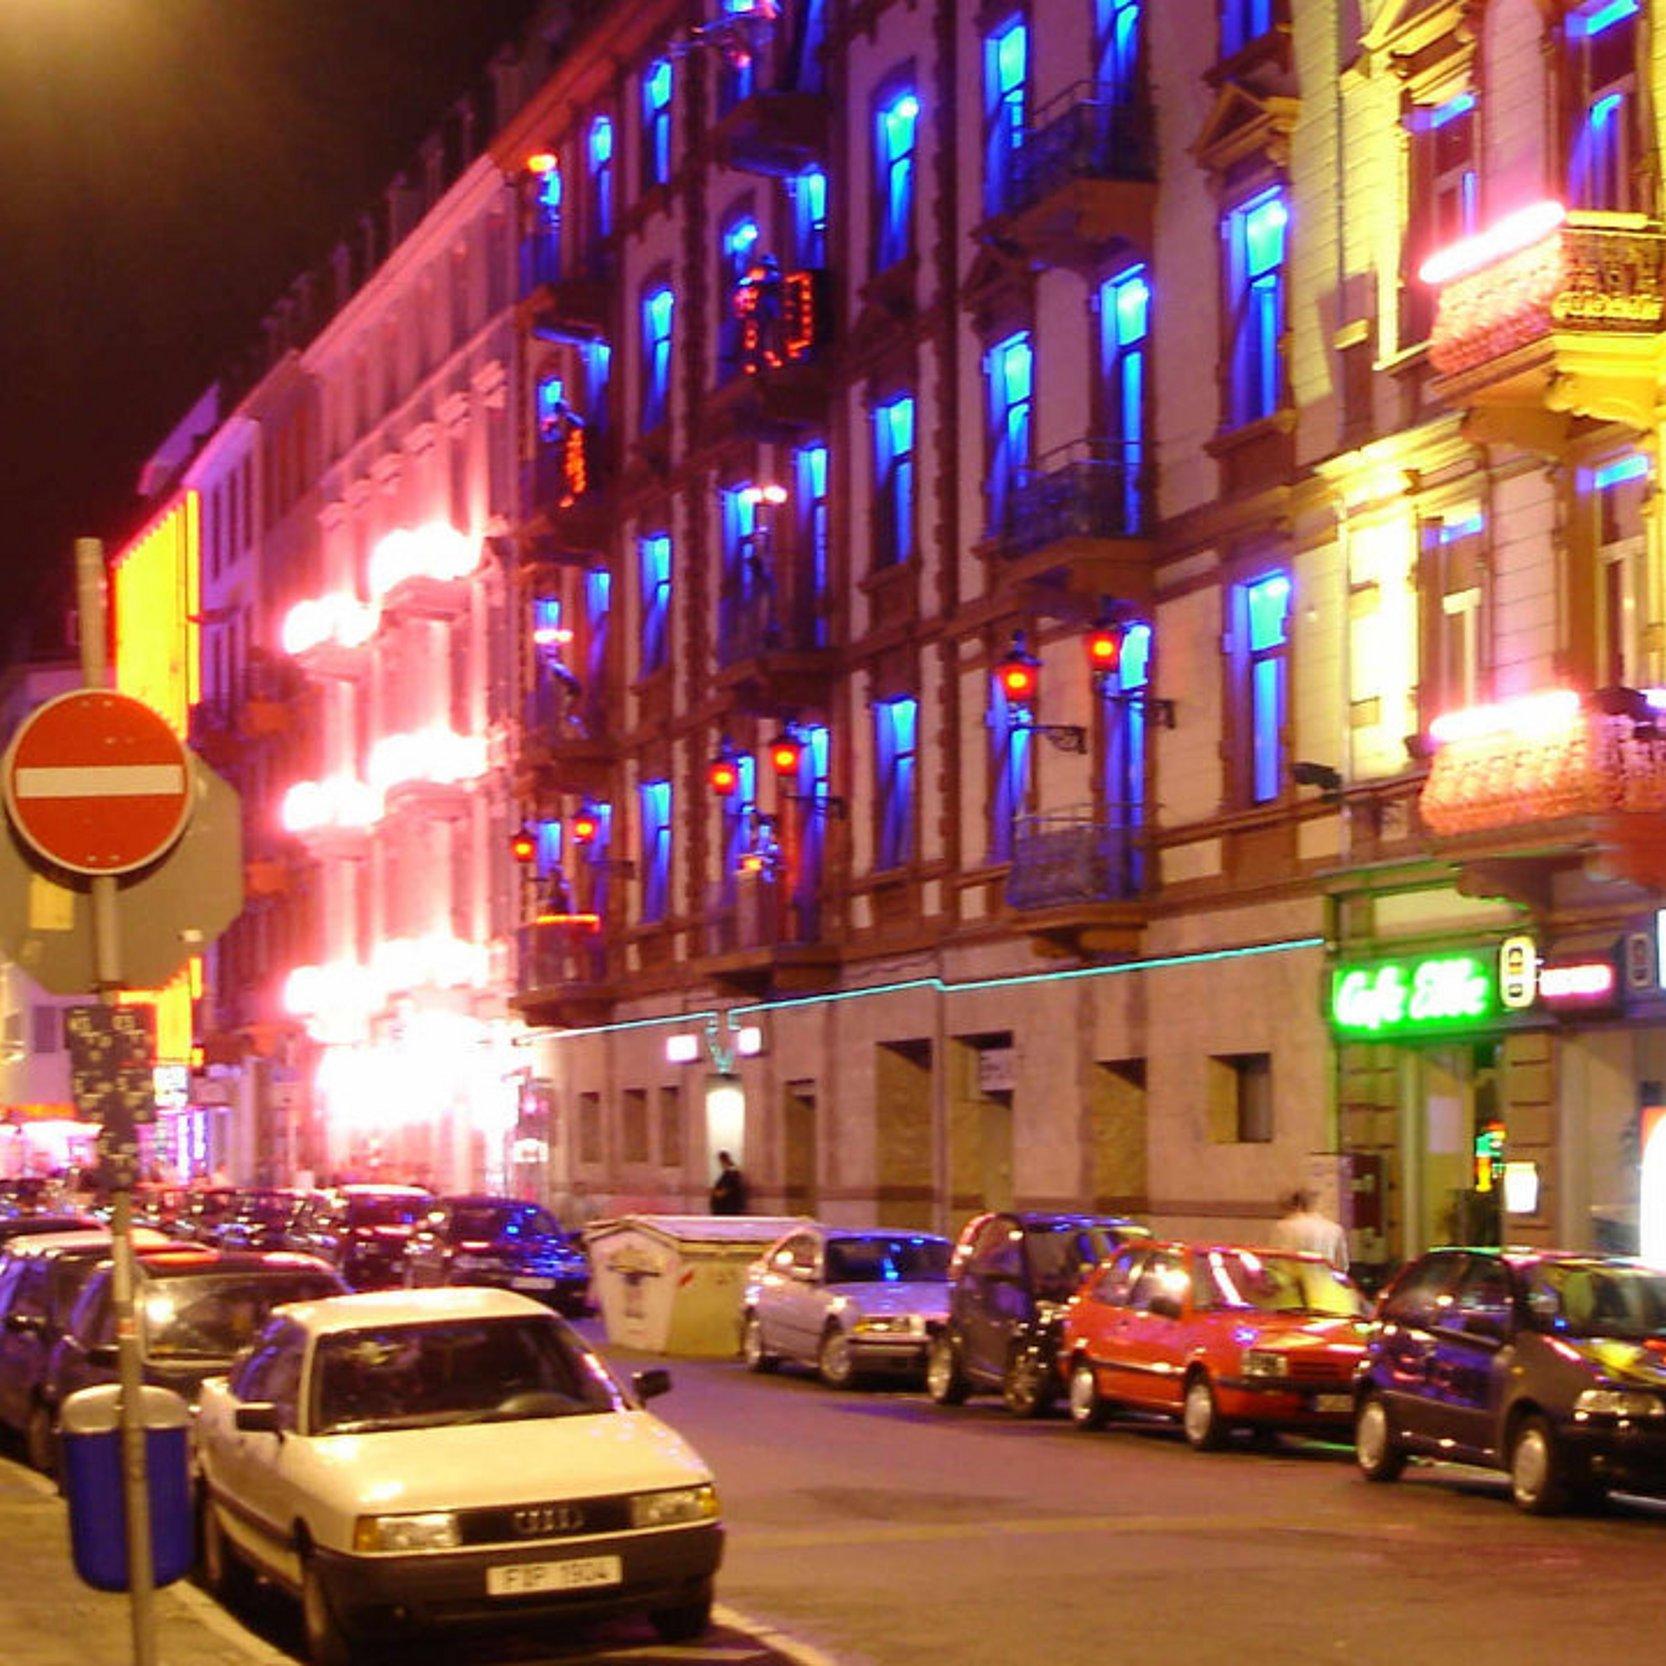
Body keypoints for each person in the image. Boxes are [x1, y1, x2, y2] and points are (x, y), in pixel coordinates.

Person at [1270, 1187, 1349, 1272]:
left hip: (1295, 1282)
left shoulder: (1283, 1227)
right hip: (1326, 1282)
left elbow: (1274, 1262)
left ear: (1297, 1205)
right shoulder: (1335, 1229)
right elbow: (1342, 1267)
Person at [709, 1151, 749, 1216]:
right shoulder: (730, 1173)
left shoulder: (731, 1174)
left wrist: (715, 1193)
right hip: (727, 1208)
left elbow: (723, 1191)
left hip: (727, 1209)